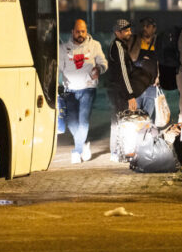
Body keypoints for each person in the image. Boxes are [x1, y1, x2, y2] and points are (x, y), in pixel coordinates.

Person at [59, 19, 107, 163]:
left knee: (83, 120)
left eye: (83, 31)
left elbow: (103, 62)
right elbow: (58, 69)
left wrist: (99, 69)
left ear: (87, 31)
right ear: (72, 32)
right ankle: (83, 144)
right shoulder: (63, 48)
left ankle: (77, 151)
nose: (81, 34)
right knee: (72, 123)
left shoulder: (95, 45)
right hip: (70, 90)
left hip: (88, 88)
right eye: (78, 31)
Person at [107, 18, 139, 162]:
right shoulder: (118, 46)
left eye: (130, 30)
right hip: (118, 91)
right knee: (120, 121)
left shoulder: (118, 45)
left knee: (118, 120)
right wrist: (130, 95)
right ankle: (117, 152)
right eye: (126, 30)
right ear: (117, 32)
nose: (129, 33)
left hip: (116, 89)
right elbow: (123, 73)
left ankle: (117, 152)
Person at [129, 17, 161, 120]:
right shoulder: (134, 40)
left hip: (151, 85)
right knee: (134, 116)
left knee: (147, 117)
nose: (144, 28)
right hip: (136, 85)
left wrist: (159, 76)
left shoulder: (158, 42)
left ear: (154, 28)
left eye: (148, 26)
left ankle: (146, 135)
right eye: (143, 26)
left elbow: (161, 61)